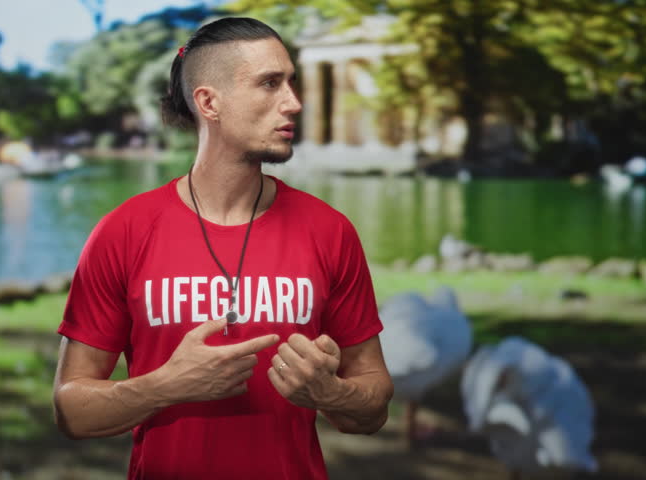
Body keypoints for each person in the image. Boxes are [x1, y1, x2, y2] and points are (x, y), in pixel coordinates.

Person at [52, 17, 393, 480]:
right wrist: (165, 387)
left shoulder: (329, 230)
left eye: (291, 83)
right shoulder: (124, 231)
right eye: (270, 84)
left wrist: (329, 393)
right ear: (209, 102)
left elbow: (373, 405)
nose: (294, 103)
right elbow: (71, 411)